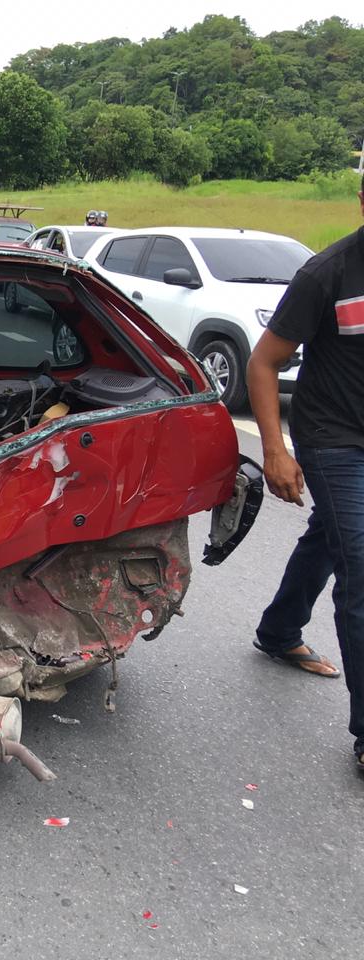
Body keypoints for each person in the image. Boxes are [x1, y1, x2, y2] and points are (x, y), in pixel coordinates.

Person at [247, 173, 364, 774]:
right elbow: (263, 362)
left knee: (334, 538)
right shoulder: (329, 274)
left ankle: (278, 627)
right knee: (361, 568)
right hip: (333, 439)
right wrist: (276, 448)